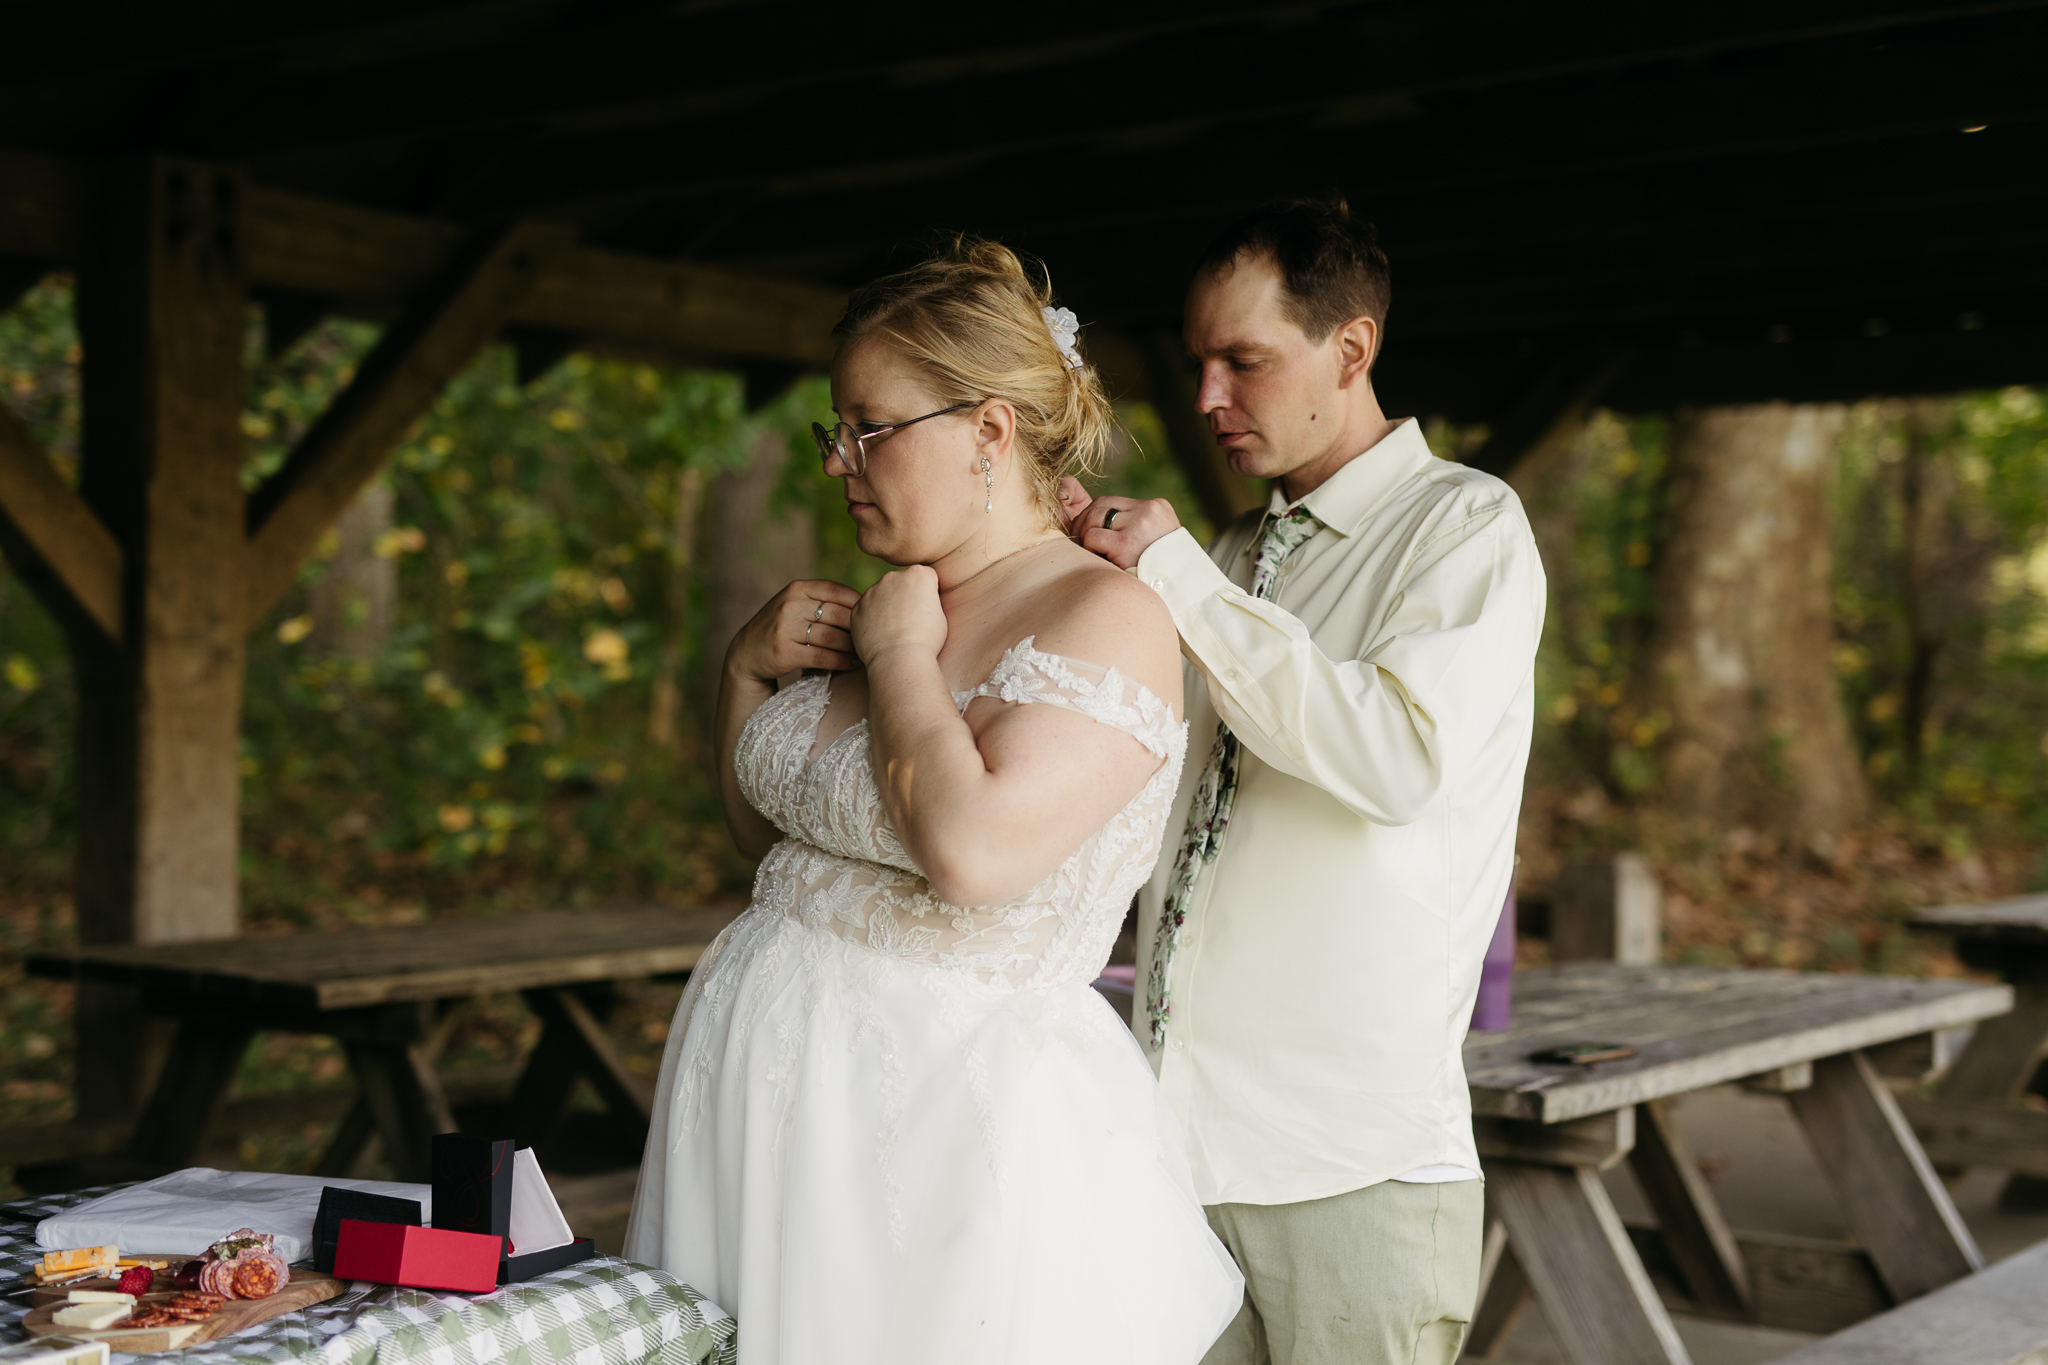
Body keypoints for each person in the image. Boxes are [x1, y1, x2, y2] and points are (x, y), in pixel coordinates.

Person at [625, 240, 1243, 1365]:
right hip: (757, 1123)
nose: (838, 463)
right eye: (835, 432)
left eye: (869, 428)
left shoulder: (1101, 619)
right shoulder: (893, 597)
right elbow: (778, 855)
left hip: (932, 1151)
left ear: (988, 433)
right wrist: (743, 675)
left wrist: (901, 655)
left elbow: (970, 852)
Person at [1059, 198, 1546, 1365]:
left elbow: (1393, 758)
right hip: (1168, 1147)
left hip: (1347, 1164)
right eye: (1198, 363)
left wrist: (1175, 579)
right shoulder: (1223, 559)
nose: (1207, 397)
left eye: (1244, 360)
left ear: (1351, 349)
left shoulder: (1466, 527)